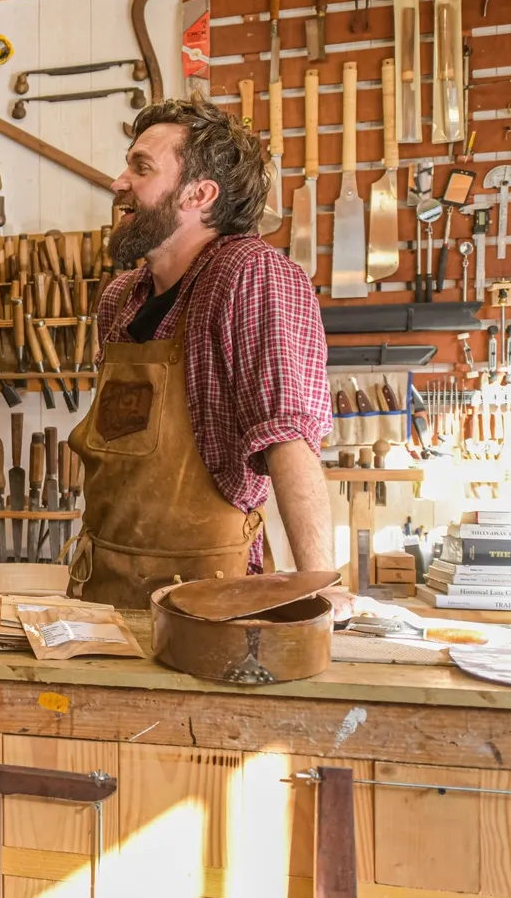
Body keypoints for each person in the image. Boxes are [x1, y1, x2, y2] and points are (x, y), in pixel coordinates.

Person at [70, 97, 339, 611]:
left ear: (200, 194)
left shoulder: (248, 275)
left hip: (207, 602)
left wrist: (321, 593)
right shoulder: (121, 298)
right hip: (101, 591)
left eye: (140, 167)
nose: (117, 182)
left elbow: (288, 437)